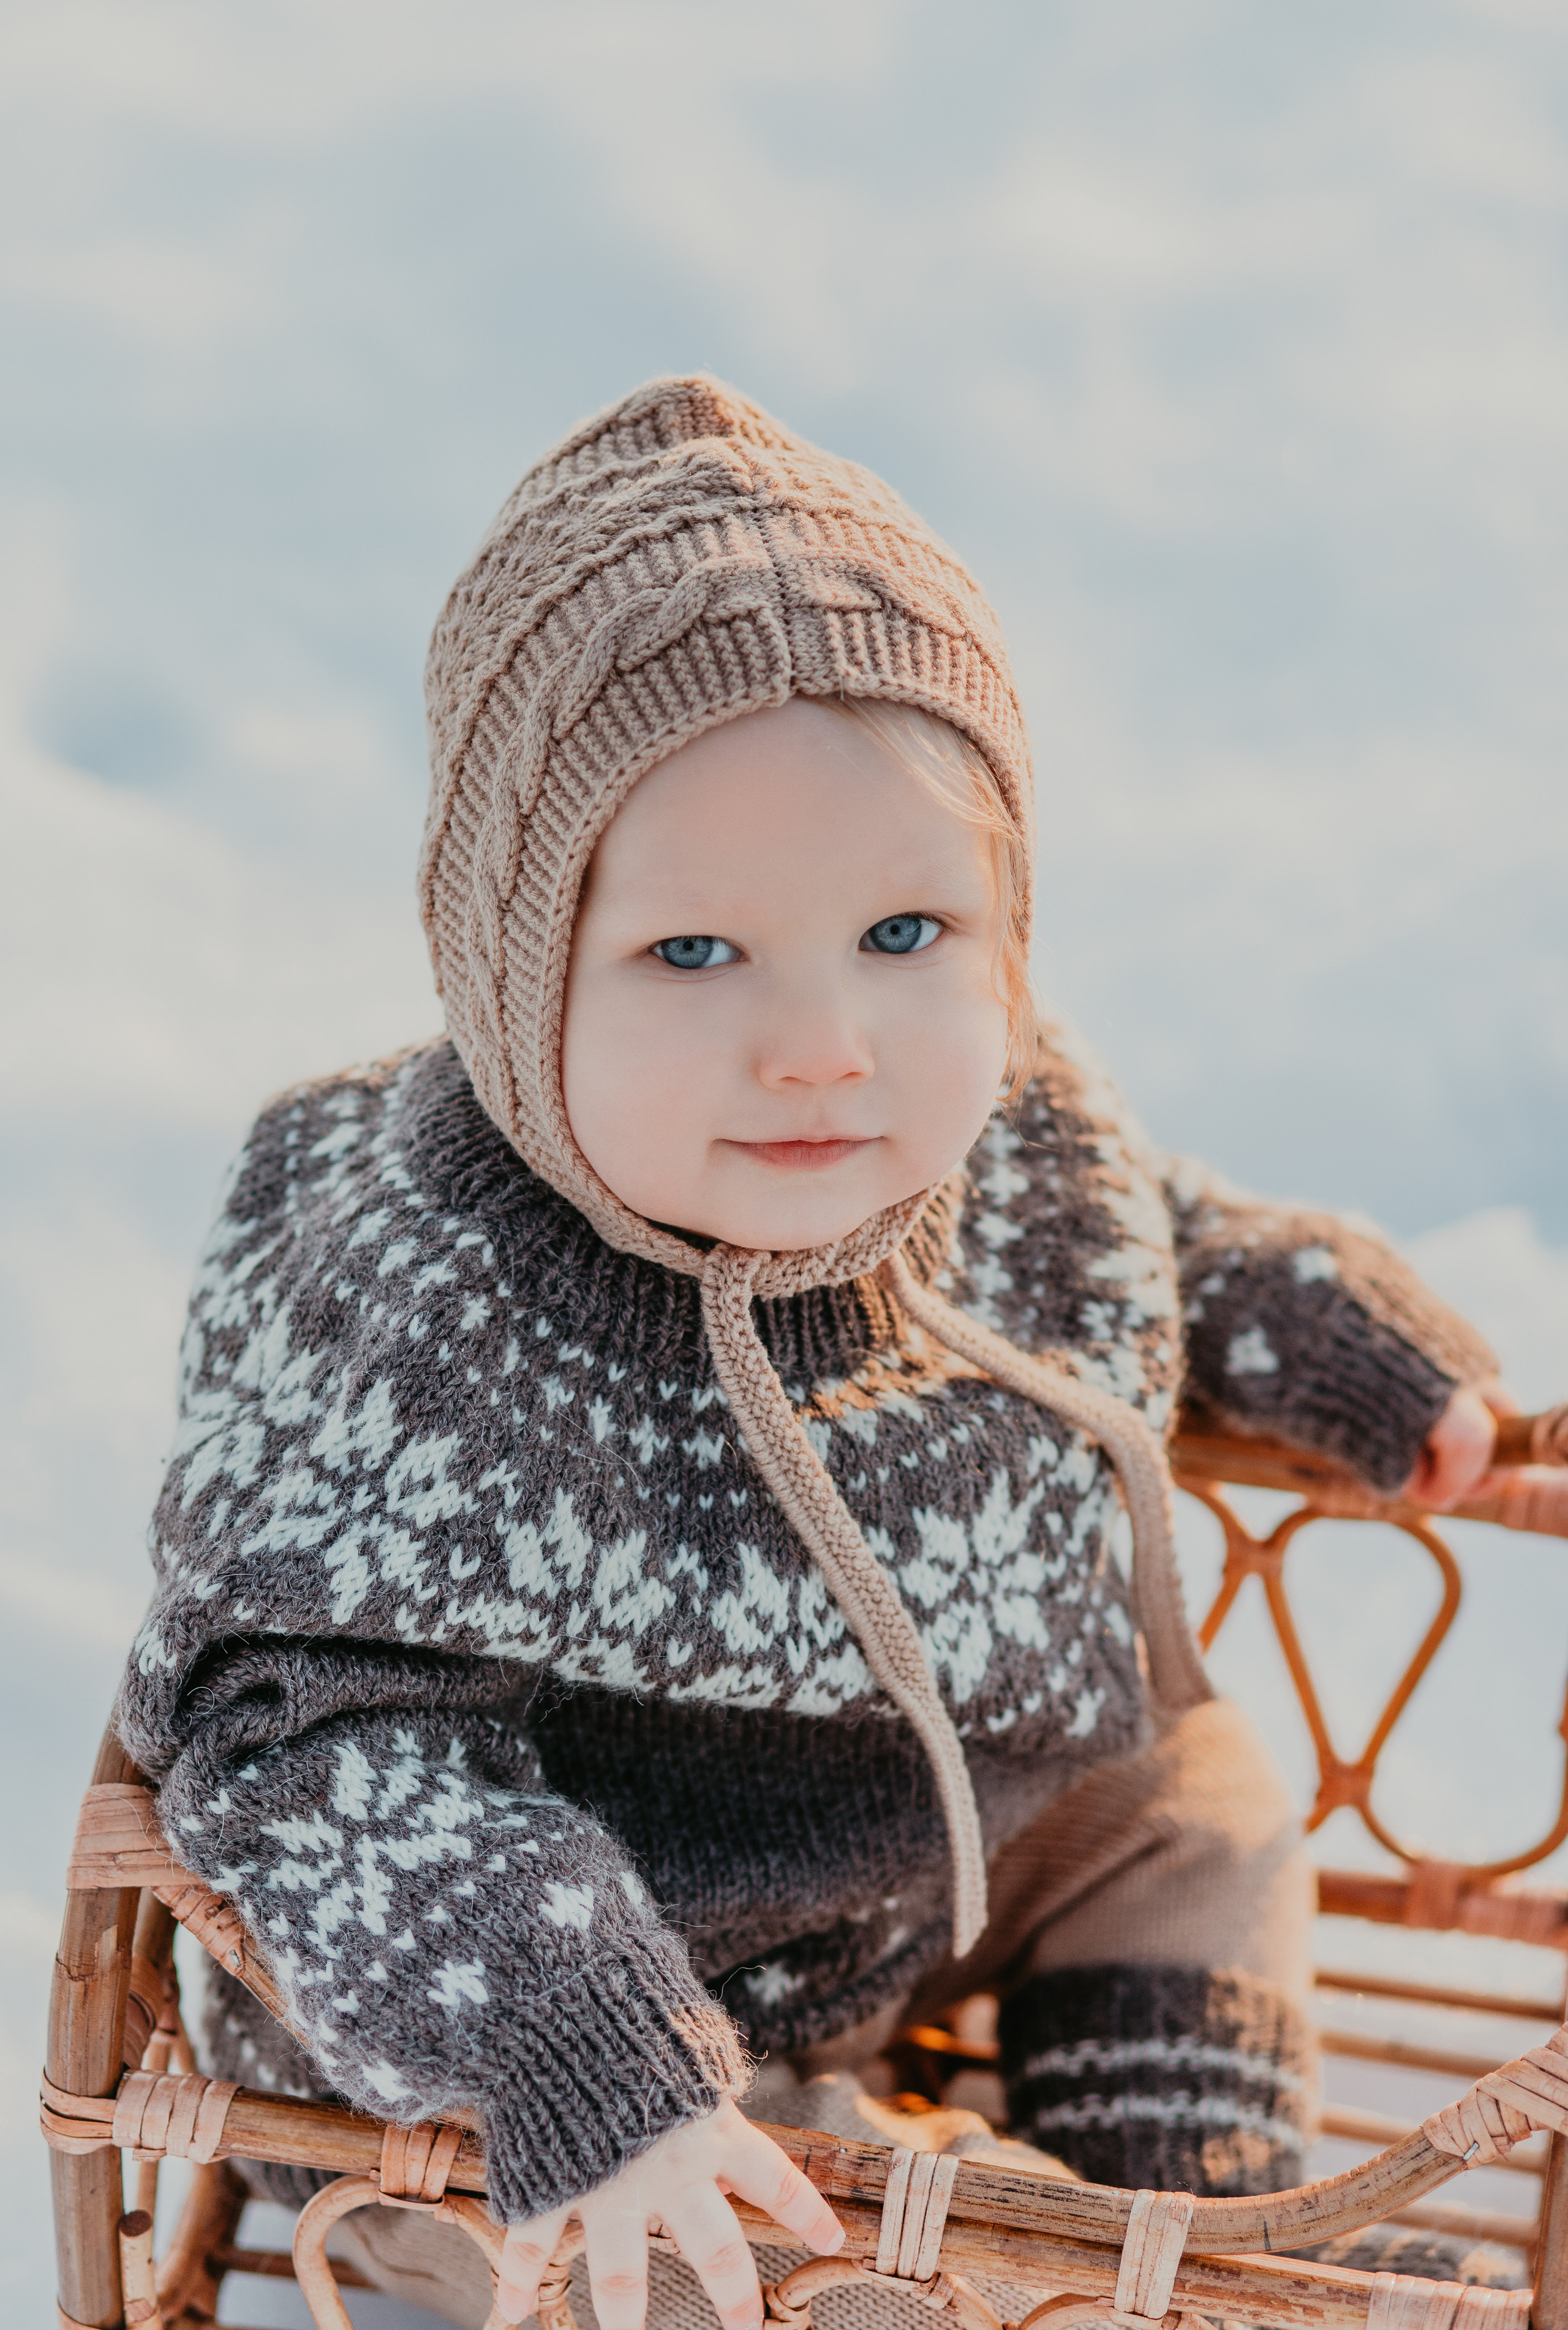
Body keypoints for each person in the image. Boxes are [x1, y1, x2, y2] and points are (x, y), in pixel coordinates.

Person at [116, 376, 1512, 2330]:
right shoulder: (429, 1305)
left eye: (906, 931)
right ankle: (1020, 2287)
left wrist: (1312, 1318)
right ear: (513, 970)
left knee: (1196, 1792)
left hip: (916, 1863)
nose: (822, 1044)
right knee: (754, 2268)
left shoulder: (1003, 1122)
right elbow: (308, 1731)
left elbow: (1141, 1219)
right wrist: (586, 2054)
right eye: (696, 954)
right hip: (519, 2056)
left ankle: (1191, 2199)